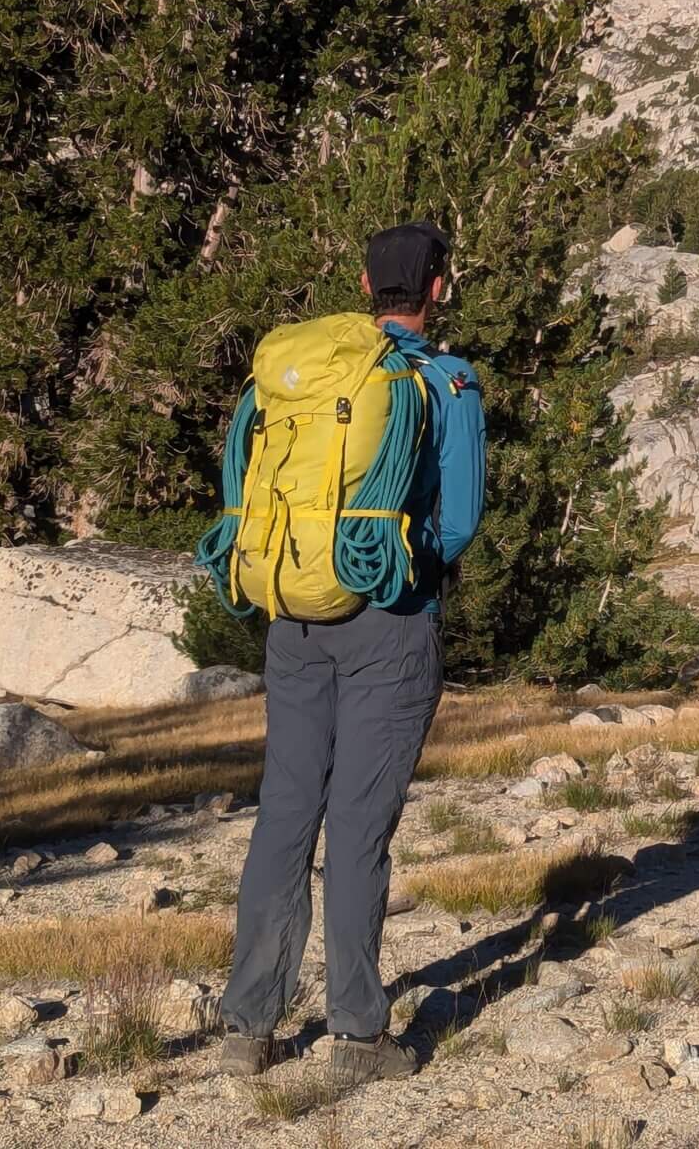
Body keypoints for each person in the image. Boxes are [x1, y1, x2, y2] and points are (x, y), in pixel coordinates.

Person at [218, 221, 486, 1083]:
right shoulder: (443, 380)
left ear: (366, 288)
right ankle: (358, 1037)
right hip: (389, 621)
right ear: (436, 288)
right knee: (360, 827)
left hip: (293, 615)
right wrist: (398, 572)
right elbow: (459, 520)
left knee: (284, 816)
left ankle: (248, 1029)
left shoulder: (298, 376)